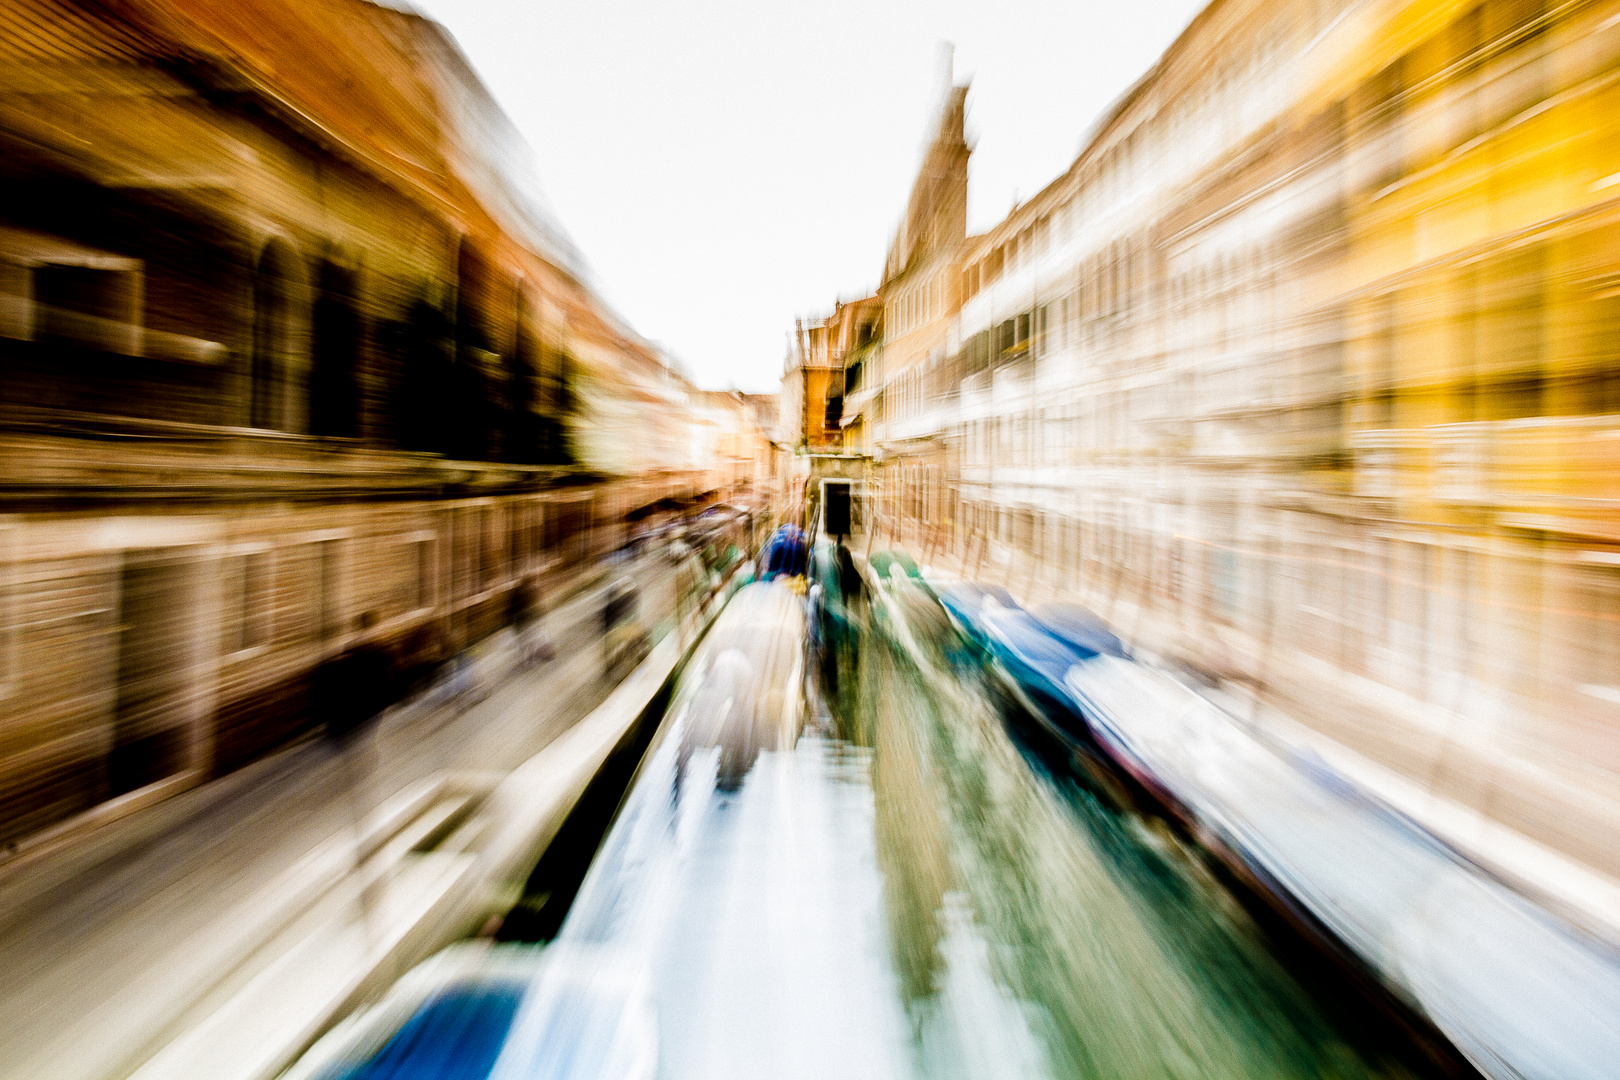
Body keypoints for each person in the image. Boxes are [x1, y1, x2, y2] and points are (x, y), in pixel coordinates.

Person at [314, 610, 395, 745]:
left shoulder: (353, 646)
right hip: (376, 692)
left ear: (360, 624)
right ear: (376, 623)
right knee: (370, 728)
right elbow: (389, 668)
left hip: (360, 692)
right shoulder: (382, 644)